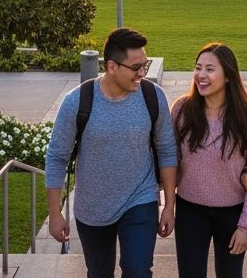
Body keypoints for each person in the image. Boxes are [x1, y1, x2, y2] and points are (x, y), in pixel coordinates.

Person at [45, 27, 178, 278]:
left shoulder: (153, 96)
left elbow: (167, 150)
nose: (142, 73)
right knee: (99, 272)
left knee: (138, 271)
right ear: (112, 66)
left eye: (145, 65)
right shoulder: (78, 102)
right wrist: (54, 213)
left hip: (140, 199)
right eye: (136, 67)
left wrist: (169, 205)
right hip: (93, 208)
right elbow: (57, 157)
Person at [171, 43, 247, 278]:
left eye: (210, 69)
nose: (201, 75)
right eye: (198, 68)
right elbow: (169, 162)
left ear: (227, 76)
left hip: (231, 215)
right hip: (189, 211)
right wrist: (165, 205)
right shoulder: (181, 110)